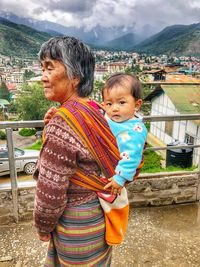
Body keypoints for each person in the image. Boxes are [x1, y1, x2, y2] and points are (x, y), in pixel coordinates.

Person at [33, 36, 130, 267]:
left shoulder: (63, 122)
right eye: (42, 68)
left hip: (76, 225)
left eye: (50, 67)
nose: (42, 77)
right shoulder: (96, 109)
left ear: (75, 76)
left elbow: (50, 193)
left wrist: (43, 227)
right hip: (101, 216)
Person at [102, 73, 148, 195]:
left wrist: (120, 178)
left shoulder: (135, 130)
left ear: (137, 105)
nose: (114, 108)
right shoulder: (107, 116)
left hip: (114, 177)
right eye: (109, 104)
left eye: (121, 102)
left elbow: (133, 157)